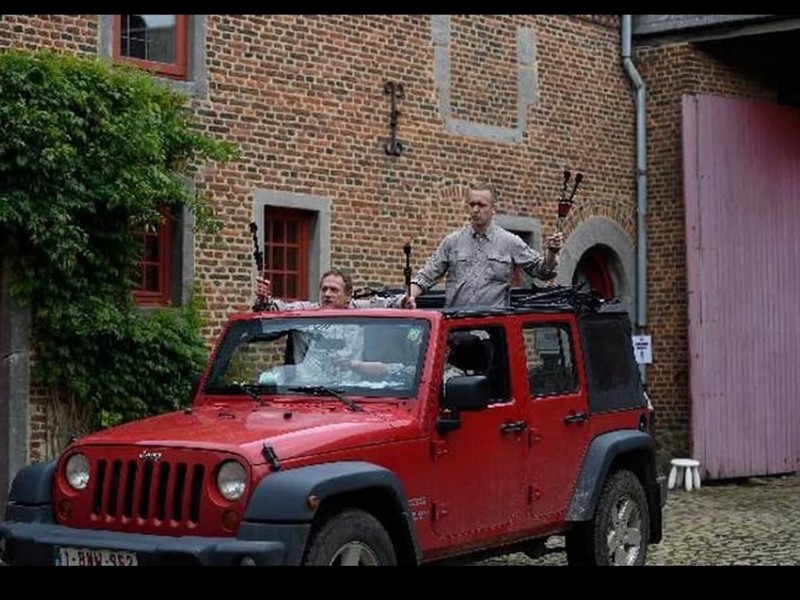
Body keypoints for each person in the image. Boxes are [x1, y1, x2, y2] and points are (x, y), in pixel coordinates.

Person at [408, 185, 564, 308]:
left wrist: (552, 252)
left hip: (493, 329)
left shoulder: (510, 242)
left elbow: (544, 272)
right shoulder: (452, 242)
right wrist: (410, 295)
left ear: (493, 209)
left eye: (481, 205)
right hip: (456, 326)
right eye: (472, 204)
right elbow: (426, 276)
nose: (475, 210)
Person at [253, 269, 412, 311]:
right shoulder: (311, 311)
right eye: (324, 289)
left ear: (348, 295)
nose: (327, 294)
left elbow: (386, 305)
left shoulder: (358, 310)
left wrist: (404, 301)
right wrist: (264, 299)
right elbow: (282, 309)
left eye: (334, 290)